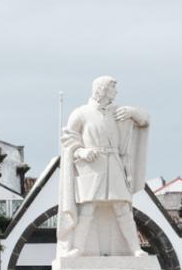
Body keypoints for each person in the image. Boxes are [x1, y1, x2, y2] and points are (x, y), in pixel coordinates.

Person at [57, 76, 150, 259]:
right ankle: (78, 249)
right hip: (92, 166)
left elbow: (144, 121)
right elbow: (68, 139)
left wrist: (132, 112)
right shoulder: (81, 113)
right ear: (103, 90)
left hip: (114, 163)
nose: (116, 92)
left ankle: (135, 249)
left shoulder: (118, 111)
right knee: (88, 208)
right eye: (113, 88)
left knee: (122, 206)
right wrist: (81, 152)